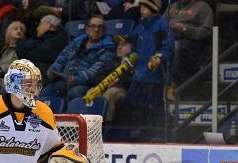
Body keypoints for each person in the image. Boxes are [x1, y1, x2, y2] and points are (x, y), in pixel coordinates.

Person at [42, 15, 115, 103]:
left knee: (75, 93)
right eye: (93, 26)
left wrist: (76, 79)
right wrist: (53, 70)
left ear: (104, 31)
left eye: (100, 27)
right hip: (64, 79)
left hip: (85, 83)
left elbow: (95, 71)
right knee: (46, 92)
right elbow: (62, 57)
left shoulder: (108, 48)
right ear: (87, 29)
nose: (96, 30)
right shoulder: (76, 42)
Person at [126, 0, 174, 133]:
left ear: (152, 9)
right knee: (134, 102)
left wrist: (159, 57)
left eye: (144, 7)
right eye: (141, 7)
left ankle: (155, 132)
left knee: (153, 105)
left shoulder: (162, 25)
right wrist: (130, 57)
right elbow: (134, 47)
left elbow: (168, 48)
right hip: (138, 74)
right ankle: (138, 129)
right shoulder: (139, 27)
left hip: (155, 75)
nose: (141, 10)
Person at [163, 0, 213, 98]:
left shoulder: (202, 7)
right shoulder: (172, 6)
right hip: (170, 39)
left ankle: (171, 85)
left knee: (176, 47)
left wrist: (184, 29)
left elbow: (206, 32)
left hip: (191, 42)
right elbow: (160, 24)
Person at [16, 14, 69, 81]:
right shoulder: (43, 39)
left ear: (49, 25)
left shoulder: (59, 38)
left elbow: (38, 55)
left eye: (40, 24)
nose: (37, 28)